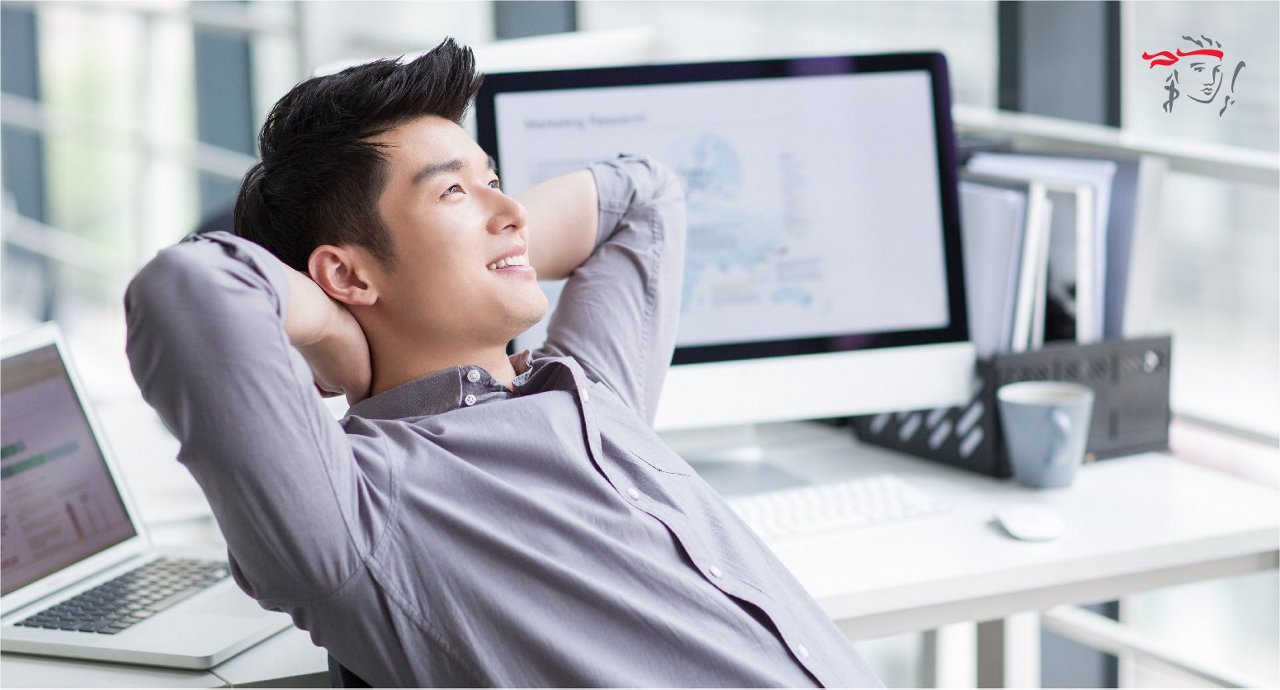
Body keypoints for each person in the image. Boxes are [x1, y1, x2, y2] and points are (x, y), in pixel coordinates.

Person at [125, 38, 882, 687]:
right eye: (453, 191)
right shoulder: (357, 518)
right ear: (348, 275)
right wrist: (337, 333)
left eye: (492, 179)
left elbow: (645, 196)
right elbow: (187, 289)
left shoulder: (588, 387)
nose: (511, 209)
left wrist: (477, 234)